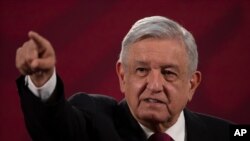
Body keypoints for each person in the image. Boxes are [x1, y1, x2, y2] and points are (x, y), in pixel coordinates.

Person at [16, 16, 231, 141]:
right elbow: (55, 130)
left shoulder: (225, 134)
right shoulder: (93, 121)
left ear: (192, 84)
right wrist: (42, 80)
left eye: (168, 73)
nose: (154, 85)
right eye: (141, 70)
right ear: (122, 76)